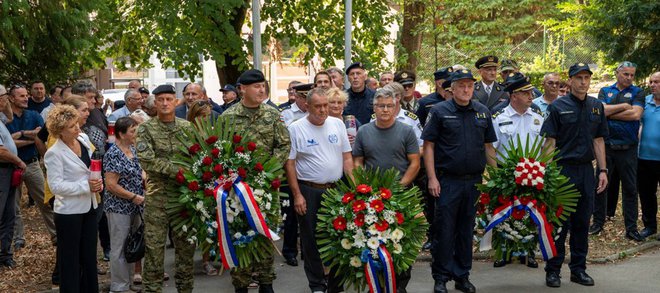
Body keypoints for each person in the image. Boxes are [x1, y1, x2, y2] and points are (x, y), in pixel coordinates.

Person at [422, 69, 497, 293]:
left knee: (466, 230)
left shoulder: (482, 112)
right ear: (451, 89)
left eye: (470, 85)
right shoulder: (439, 111)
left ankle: (462, 275)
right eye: (461, 85)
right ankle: (441, 277)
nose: (466, 90)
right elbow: (428, 146)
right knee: (444, 230)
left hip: (473, 182)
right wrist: (432, 178)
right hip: (447, 182)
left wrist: (496, 179)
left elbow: (488, 147)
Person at [222, 69, 290, 293]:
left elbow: (283, 145)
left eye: (263, 85)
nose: (261, 90)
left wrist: (269, 169)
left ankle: (266, 281)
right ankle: (240, 283)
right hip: (237, 189)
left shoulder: (272, 115)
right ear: (242, 89)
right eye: (256, 86)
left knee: (265, 232)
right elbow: (220, 152)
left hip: (266, 187)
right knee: (239, 232)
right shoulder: (228, 117)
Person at [541, 63, 608, 288]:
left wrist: (603, 170)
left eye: (586, 77)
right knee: (559, 223)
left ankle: (578, 270)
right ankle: (553, 271)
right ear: (569, 81)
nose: (583, 82)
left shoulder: (596, 106)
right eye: (578, 78)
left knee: (582, 223)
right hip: (562, 171)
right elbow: (550, 142)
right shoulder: (558, 107)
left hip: (585, 172)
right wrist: (545, 173)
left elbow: (598, 141)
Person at [352, 88, 420, 293]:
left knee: (402, 242)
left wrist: (400, 187)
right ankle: (378, 285)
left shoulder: (406, 130)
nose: (385, 110)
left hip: (400, 195)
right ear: (374, 107)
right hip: (371, 197)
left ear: (396, 107)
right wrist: (363, 188)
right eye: (381, 106)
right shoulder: (364, 131)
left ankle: (399, 286)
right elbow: (357, 162)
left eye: (389, 106)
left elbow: (415, 163)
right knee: (373, 242)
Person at [286, 87, 353, 293]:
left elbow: (347, 158)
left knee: (339, 237)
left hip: (336, 190)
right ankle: (317, 284)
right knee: (311, 239)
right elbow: (290, 164)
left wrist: (356, 187)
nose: (323, 110)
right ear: (307, 106)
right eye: (318, 106)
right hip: (309, 191)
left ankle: (335, 284)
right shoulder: (296, 128)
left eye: (326, 105)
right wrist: (297, 194)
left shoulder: (337, 124)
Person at [136, 84, 195, 292]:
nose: (165, 103)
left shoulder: (187, 128)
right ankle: (153, 289)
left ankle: (185, 288)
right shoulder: (146, 129)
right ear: (155, 102)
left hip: (183, 197)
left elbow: (197, 157)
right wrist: (178, 171)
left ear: (176, 101)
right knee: (154, 249)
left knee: (186, 247)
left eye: (169, 99)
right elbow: (147, 161)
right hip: (157, 198)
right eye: (160, 99)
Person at [44, 104, 102, 292]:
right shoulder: (54, 153)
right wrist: (86, 186)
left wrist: (97, 179)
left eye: (76, 123)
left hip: (90, 207)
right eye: (71, 126)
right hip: (68, 213)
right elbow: (56, 186)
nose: (77, 128)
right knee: (70, 261)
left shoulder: (84, 139)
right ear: (60, 131)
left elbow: (91, 166)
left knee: (89, 256)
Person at [491, 73, 544, 269]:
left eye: (531, 92)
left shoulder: (538, 118)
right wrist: (495, 174)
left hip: (533, 172)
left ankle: (528, 253)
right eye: (526, 93)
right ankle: (503, 252)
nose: (531, 96)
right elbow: (491, 148)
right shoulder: (498, 118)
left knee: (530, 213)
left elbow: (546, 145)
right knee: (505, 212)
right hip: (507, 173)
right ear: (514, 96)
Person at [589, 61, 645, 241]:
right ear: (617, 73)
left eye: (632, 75)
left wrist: (610, 112)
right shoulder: (606, 91)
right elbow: (600, 111)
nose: (629, 78)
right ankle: (598, 222)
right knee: (601, 185)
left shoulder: (638, 92)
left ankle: (631, 228)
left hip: (628, 148)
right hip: (607, 147)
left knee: (630, 188)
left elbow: (636, 114)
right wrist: (623, 107)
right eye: (625, 74)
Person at [6, 84, 54, 251]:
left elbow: (43, 134)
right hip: (11, 166)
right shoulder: (4, 119)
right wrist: (32, 137)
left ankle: (56, 234)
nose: (26, 98)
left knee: (45, 201)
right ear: (11, 98)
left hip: (32, 164)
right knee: (14, 206)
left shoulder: (33, 115)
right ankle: (18, 240)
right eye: (21, 96)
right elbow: (6, 143)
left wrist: (20, 134)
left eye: (26, 95)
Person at [104, 116, 144, 292]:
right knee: (119, 246)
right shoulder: (113, 154)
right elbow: (111, 185)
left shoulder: (133, 149)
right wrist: (133, 196)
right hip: (119, 206)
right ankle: (119, 287)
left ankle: (127, 282)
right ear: (121, 133)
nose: (135, 133)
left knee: (132, 245)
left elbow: (139, 172)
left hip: (136, 204)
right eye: (132, 130)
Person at [0, 84, 26, 269]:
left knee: (9, 214)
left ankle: (5, 254)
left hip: (8, 171)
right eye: (4, 97)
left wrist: (5, 100)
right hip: (2, 169)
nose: (7, 99)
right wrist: (18, 161)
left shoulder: (1, 118)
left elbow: (9, 117)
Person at [638, 71, 660, 239]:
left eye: (656, 82)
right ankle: (649, 226)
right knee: (646, 194)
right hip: (644, 157)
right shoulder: (644, 102)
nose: (652, 85)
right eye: (651, 81)